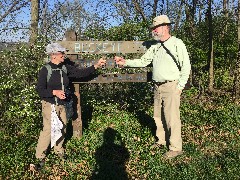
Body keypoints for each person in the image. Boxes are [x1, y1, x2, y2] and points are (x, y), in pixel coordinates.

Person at [115, 15, 191, 159]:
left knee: (172, 118)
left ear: (165, 27)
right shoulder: (155, 46)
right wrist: (125, 63)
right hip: (157, 86)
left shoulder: (177, 43)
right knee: (158, 116)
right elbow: (143, 61)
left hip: (171, 85)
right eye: (153, 28)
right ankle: (161, 141)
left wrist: (180, 86)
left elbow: (186, 66)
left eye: (156, 28)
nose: (154, 31)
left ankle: (175, 148)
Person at [35, 42, 106, 170]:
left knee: (62, 127)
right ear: (53, 55)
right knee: (48, 130)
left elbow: (80, 73)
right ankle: (40, 157)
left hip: (63, 104)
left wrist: (95, 66)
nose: (64, 55)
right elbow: (39, 89)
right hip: (49, 104)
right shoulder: (45, 69)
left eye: (63, 52)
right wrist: (54, 92)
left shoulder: (65, 67)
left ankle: (59, 151)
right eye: (61, 53)